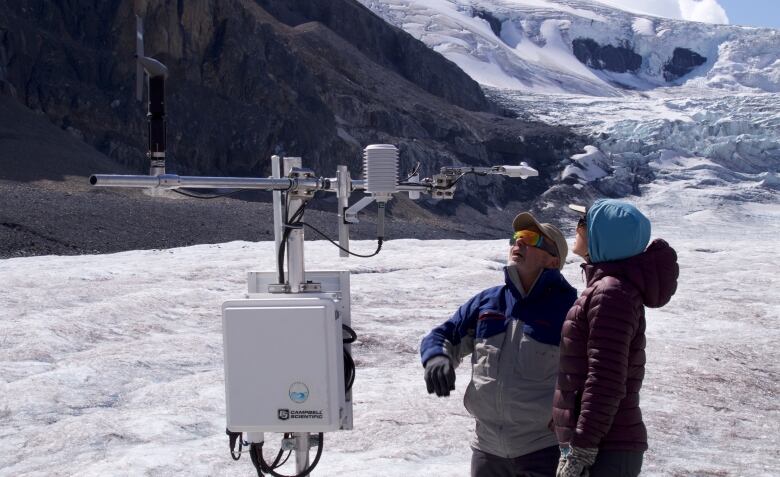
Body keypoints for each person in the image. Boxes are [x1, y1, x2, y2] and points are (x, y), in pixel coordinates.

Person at [421, 212, 578, 477]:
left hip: (542, 450)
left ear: (553, 261)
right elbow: (443, 335)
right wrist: (437, 356)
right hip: (486, 449)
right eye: (516, 238)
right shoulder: (488, 302)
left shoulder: (569, 309)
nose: (518, 244)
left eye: (529, 238)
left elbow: (592, 373)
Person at [553, 199, 679, 477]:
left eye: (582, 223)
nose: (575, 229)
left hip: (604, 448)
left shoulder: (610, 292)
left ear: (601, 235)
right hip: (601, 444)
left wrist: (582, 448)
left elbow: (605, 377)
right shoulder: (607, 287)